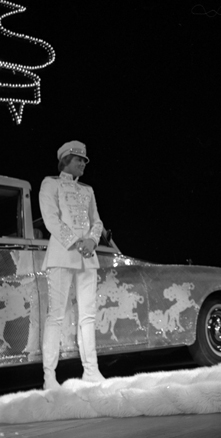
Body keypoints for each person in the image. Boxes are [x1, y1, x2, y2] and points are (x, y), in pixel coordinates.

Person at [39, 140, 105, 389]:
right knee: (55, 315)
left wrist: (91, 240)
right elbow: (50, 219)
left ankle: (91, 371)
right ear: (66, 159)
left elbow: (96, 221)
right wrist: (77, 242)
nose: (83, 164)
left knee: (87, 316)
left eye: (85, 161)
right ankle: (49, 377)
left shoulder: (87, 190)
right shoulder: (50, 184)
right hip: (62, 255)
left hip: (87, 257)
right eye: (80, 160)